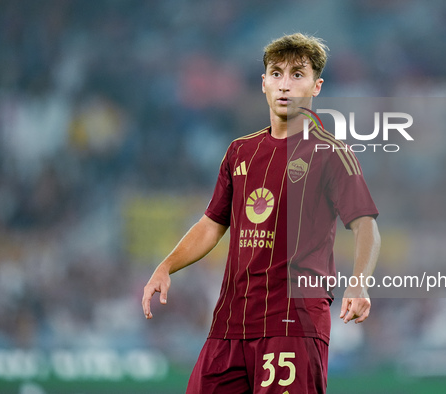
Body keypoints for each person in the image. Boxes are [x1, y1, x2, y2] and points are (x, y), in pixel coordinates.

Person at [142, 33, 380, 394]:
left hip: (292, 324)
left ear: (316, 86)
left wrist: (359, 281)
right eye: (277, 73)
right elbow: (212, 224)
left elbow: (365, 226)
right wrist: (166, 265)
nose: (286, 84)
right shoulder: (239, 152)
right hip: (230, 324)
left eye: (297, 75)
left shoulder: (332, 155)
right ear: (264, 83)